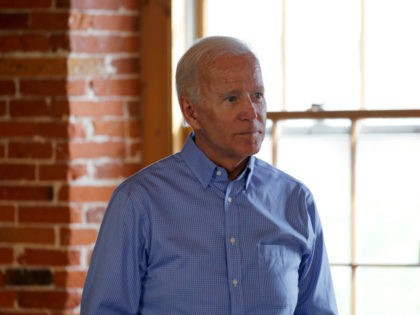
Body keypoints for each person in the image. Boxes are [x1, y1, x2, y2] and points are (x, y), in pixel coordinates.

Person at [81, 36, 338, 315]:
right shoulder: (138, 202)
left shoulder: (296, 201)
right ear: (191, 112)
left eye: (258, 95)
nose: (252, 113)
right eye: (231, 98)